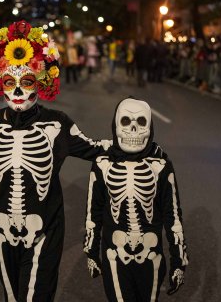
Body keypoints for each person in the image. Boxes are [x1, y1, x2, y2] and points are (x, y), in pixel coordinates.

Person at [0, 20, 111, 301]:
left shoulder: (57, 124)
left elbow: (94, 148)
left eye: (27, 81)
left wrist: (135, 148)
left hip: (45, 230)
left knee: (35, 295)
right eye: (10, 82)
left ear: (41, 81)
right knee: (12, 295)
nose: (18, 91)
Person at [83, 97, 188, 302]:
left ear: (150, 128)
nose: (132, 129)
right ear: (115, 126)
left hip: (151, 257)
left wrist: (179, 262)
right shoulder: (102, 165)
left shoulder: (161, 166)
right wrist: (91, 251)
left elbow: (173, 216)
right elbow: (93, 212)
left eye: (140, 122)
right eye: (125, 122)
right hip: (114, 254)